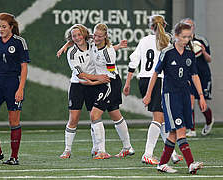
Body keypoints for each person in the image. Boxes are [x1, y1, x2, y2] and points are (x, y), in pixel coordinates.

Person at [57, 24, 128, 159]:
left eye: (79, 35)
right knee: (73, 119)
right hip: (78, 85)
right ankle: (67, 150)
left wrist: (117, 46)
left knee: (94, 116)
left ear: (84, 34)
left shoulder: (92, 41)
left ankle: (98, 149)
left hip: (94, 86)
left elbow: (104, 48)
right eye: (74, 36)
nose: (77, 38)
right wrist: (98, 78)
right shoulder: (72, 53)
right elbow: (80, 75)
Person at [143, 22, 206, 174]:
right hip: (171, 96)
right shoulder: (167, 52)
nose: (186, 39)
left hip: (185, 95)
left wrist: (201, 96)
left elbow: (195, 76)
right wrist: (148, 94)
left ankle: (162, 164)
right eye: (183, 37)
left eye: (189, 37)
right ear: (176, 36)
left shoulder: (190, 54)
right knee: (181, 130)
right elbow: (156, 73)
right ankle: (191, 163)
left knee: (173, 132)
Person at [123, 15, 182, 165]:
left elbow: (133, 61)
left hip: (143, 80)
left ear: (151, 27)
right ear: (165, 25)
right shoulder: (167, 41)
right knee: (159, 119)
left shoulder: (144, 40)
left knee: (161, 119)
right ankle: (147, 154)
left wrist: (128, 82)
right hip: (158, 81)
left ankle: (172, 153)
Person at [0, 13, 30, 165]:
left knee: (13, 121)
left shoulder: (19, 42)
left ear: (11, 27)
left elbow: (24, 67)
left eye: (4, 26)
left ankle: (14, 157)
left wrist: (20, 89)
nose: (1, 29)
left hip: (12, 84)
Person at [87, 23, 134, 159]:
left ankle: (101, 151)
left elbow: (111, 73)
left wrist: (95, 81)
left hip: (109, 83)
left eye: (99, 36)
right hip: (101, 82)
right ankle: (128, 148)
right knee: (115, 114)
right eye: (95, 35)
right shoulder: (93, 41)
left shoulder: (108, 52)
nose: (96, 38)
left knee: (94, 115)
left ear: (105, 36)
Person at [181, 18, 214, 137]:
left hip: (203, 75)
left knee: (202, 103)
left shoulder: (201, 40)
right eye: (185, 26)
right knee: (189, 101)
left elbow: (209, 59)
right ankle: (192, 129)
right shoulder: (182, 41)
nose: (188, 28)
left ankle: (209, 121)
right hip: (189, 75)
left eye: (190, 26)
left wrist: (203, 51)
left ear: (193, 27)